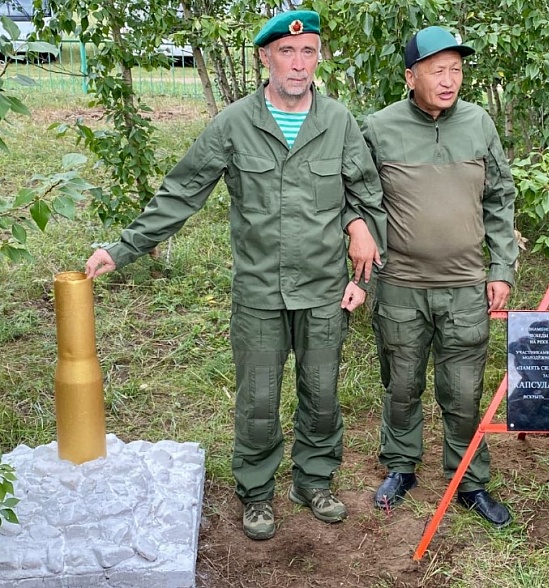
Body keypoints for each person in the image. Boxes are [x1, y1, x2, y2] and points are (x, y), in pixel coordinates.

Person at [84, 10, 386, 541]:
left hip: (322, 291)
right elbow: (183, 190)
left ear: (319, 58)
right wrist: (124, 248)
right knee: (258, 400)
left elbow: (366, 197)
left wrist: (362, 267)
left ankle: (313, 480)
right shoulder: (234, 123)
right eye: (287, 53)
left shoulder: (338, 122)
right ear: (264, 58)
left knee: (321, 393)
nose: (298, 63)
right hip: (260, 294)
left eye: (309, 51)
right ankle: (258, 492)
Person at [362, 26, 518, 527]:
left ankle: (469, 480)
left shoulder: (478, 123)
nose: (449, 80)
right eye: (436, 70)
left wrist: (502, 269)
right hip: (401, 286)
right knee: (402, 384)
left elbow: (499, 198)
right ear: (411, 76)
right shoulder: (378, 128)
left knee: (464, 389)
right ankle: (401, 467)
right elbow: (356, 199)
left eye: (456, 69)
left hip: (467, 286)